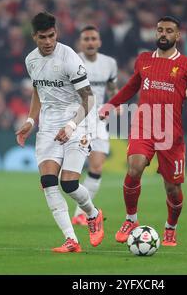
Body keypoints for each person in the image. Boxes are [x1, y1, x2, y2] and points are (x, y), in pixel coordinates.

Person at [99, 16, 187, 246]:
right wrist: (111, 105)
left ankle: (171, 227)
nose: (163, 34)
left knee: (172, 188)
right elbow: (132, 86)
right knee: (135, 166)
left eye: (169, 31)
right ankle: (131, 219)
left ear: (177, 36)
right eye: (159, 29)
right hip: (144, 124)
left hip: (172, 131)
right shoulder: (143, 60)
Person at [15, 12, 104, 253]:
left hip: (78, 120)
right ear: (34, 36)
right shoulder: (31, 60)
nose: (47, 41)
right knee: (47, 181)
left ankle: (93, 214)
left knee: (69, 184)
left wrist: (72, 125)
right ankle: (71, 240)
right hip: (48, 125)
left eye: (51, 36)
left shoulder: (70, 59)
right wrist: (30, 121)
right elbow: (38, 91)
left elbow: (89, 98)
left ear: (57, 33)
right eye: (42, 37)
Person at [71, 25, 119, 226]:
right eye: (86, 39)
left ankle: (80, 214)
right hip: (76, 117)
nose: (90, 42)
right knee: (69, 172)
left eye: (93, 39)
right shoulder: (73, 61)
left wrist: (115, 104)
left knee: (97, 167)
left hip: (98, 121)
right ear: (81, 43)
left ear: (99, 42)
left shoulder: (110, 63)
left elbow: (112, 89)